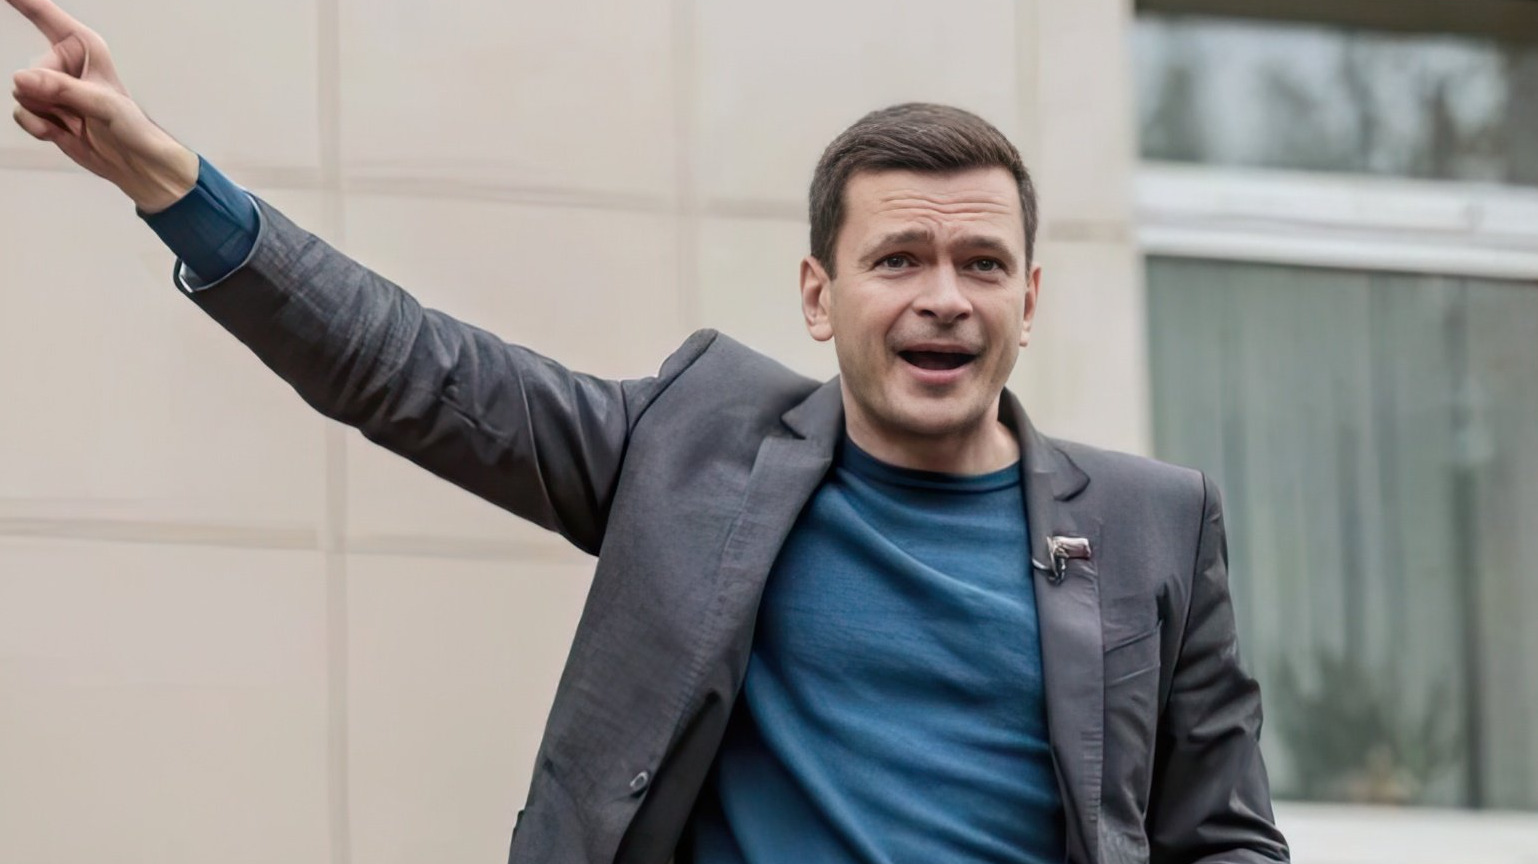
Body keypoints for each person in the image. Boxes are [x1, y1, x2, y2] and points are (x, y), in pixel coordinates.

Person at [6, 1, 1290, 862]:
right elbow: (410, 368)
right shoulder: (692, 449)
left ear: (1028, 301)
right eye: (897, 257)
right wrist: (166, 180)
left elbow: (1223, 839)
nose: (942, 295)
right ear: (817, 295)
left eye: (980, 263)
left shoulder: (1153, 527)